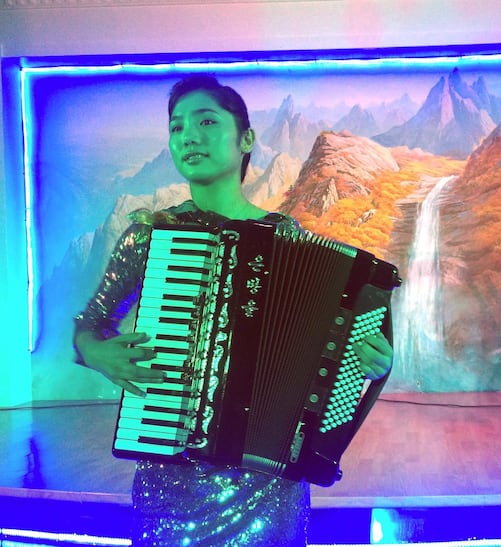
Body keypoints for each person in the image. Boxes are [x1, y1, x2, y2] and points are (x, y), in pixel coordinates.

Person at [72, 75, 394, 546]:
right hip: (171, 479)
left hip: (269, 486)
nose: (188, 136)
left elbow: (331, 348)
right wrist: (96, 353)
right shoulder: (150, 236)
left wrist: (371, 360)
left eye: (206, 121)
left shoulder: (287, 236)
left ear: (245, 139)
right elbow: (90, 324)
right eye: (177, 126)